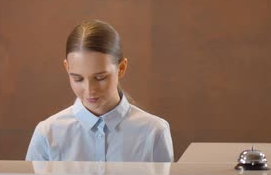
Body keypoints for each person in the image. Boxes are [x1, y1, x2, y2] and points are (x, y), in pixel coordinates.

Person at [26, 19, 174, 162]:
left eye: (100, 77)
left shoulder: (154, 132)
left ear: (121, 68)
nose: (89, 90)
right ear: (67, 68)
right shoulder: (47, 134)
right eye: (78, 79)